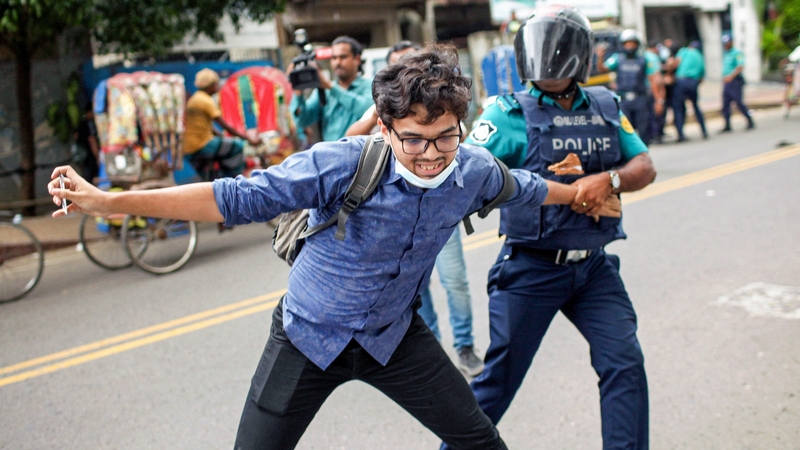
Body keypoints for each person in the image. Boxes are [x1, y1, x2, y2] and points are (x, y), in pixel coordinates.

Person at [49, 43, 621, 450]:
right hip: (305, 337)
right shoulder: (341, 163)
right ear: (386, 127)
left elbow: (523, 187)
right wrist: (110, 201)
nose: (430, 154)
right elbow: (233, 197)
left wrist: (577, 193)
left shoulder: (471, 171)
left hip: (395, 338)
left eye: (445, 136)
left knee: (479, 440)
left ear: (461, 127)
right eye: (413, 139)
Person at [449, 5, 656, 449]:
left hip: (593, 268)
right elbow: (461, 173)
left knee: (624, 363)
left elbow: (644, 164)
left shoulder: (605, 106)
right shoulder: (505, 114)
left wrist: (611, 179)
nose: (548, 53)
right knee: (498, 382)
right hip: (532, 268)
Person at [347, 41, 485, 377]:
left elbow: (461, 145)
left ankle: (465, 346)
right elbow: (348, 141)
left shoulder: (442, 110)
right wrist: (378, 113)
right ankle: (432, 349)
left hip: (439, 213)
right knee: (415, 289)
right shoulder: (389, 114)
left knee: (455, 282)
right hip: (399, 219)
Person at [290, 35, 373, 142]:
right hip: (331, 154)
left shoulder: (370, 85)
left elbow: (367, 110)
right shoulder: (324, 90)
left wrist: (331, 87)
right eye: (334, 58)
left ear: (357, 59)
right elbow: (302, 121)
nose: (337, 62)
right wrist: (298, 94)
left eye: (343, 57)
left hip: (362, 154)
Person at [183, 68, 262, 178]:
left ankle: (221, 179)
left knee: (213, 171)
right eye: (216, 83)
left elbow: (209, 127)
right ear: (210, 85)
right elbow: (224, 125)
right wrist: (248, 139)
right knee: (237, 147)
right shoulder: (205, 100)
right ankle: (234, 179)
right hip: (202, 145)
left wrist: (222, 137)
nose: (218, 86)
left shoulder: (196, 98)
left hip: (189, 148)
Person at [595, 29, 665, 144]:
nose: (630, 46)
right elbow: (602, 69)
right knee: (625, 130)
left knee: (644, 129)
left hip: (640, 99)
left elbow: (654, 81)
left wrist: (659, 100)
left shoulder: (644, 59)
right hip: (623, 100)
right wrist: (600, 57)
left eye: (632, 43)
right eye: (627, 43)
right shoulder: (618, 59)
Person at [344, 40, 423, 137]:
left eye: (410, 63)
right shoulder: (388, 100)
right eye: (397, 65)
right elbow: (350, 135)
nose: (404, 71)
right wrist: (374, 118)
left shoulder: (441, 96)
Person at [670, 40, 708, 141]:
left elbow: (676, 63)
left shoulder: (684, 51)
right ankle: (704, 131)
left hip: (681, 81)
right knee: (695, 106)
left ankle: (680, 134)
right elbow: (702, 75)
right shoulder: (700, 56)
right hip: (693, 82)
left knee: (678, 108)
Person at [720, 33, 755, 132]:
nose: (725, 45)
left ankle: (749, 120)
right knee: (725, 103)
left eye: (727, 43)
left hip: (735, 81)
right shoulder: (726, 54)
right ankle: (727, 124)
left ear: (732, 42)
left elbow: (740, 67)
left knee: (738, 101)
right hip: (727, 82)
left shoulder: (737, 53)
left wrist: (731, 77)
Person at [74, 102, 100, 183]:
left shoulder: (81, 124)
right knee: (93, 177)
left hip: (83, 155)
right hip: (90, 156)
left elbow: (76, 137)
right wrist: (97, 155)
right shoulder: (90, 124)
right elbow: (92, 139)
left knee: (86, 176)